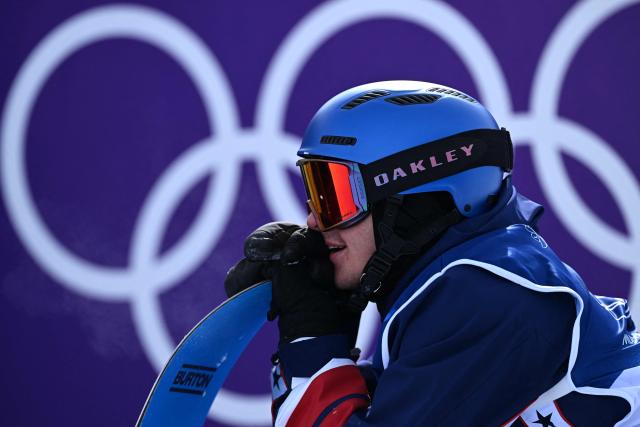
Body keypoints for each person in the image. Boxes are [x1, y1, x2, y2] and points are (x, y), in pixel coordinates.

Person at [224, 81, 640, 426]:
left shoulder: (490, 295)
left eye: (333, 196)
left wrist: (311, 339)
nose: (314, 221)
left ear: (410, 199)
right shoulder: (472, 279)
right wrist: (326, 322)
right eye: (313, 192)